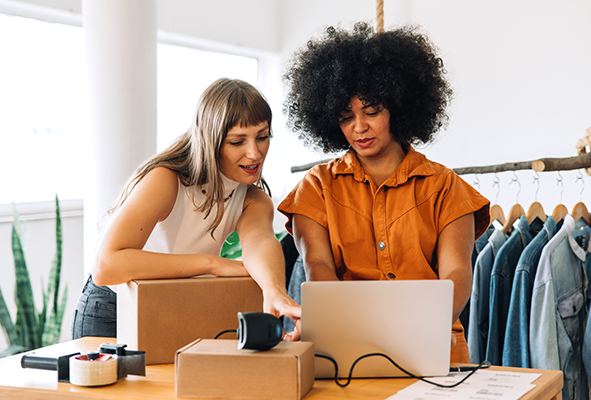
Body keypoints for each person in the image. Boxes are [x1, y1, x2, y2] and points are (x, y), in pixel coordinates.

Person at [278, 23, 490, 363]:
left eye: (372, 111)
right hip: (348, 347)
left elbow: (457, 273)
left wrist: (429, 324)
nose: (359, 127)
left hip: (435, 346)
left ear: (399, 106)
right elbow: (317, 266)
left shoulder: (446, 187)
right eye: (346, 117)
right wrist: (345, 327)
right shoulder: (316, 187)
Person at [72, 78, 301, 342]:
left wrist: (274, 291)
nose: (255, 153)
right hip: (113, 308)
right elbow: (107, 265)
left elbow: (260, 241)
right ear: (210, 140)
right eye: (238, 142)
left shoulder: (253, 199)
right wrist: (211, 264)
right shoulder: (166, 181)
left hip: (173, 300)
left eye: (262, 137)